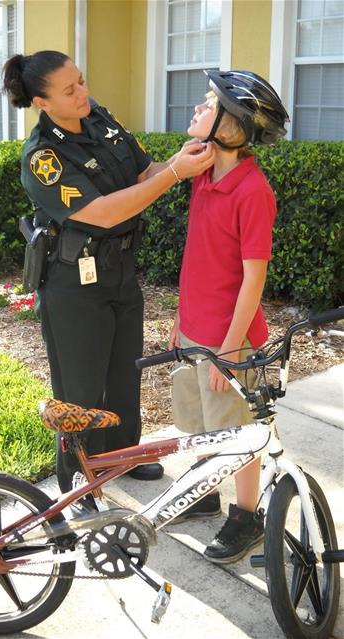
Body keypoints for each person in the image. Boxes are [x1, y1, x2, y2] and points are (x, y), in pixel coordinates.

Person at [2, 50, 216, 498]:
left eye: (81, 81)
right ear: (43, 103)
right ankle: (80, 477)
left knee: (124, 372)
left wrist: (182, 159)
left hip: (120, 271)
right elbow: (99, 213)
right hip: (73, 285)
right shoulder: (43, 157)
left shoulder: (101, 118)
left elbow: (144, 173)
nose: (83, 93)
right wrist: (174, 173)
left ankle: (124, 456)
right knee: (79, 388)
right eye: (69, 90)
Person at [168, 70, 289, 563]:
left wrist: (232, 345)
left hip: (231, 344)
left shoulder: (252, 191)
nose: (197, 109)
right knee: (200, 425)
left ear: (232, 126)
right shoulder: (203, 178)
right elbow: (198, 258)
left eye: (207, 104)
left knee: (238, 433)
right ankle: (204, 497)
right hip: (196, 332)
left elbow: (253, 277)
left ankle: (246, 516)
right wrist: (181, 320)